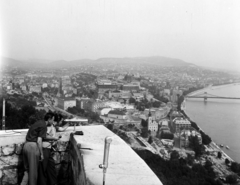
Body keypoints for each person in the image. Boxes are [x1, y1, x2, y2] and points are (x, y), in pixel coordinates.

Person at [21, 112, 58, 185]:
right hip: (32, 147)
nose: (53, 122)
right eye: (53, 120)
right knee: (33, 174)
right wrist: (41, 154)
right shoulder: (44, 126)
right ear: (49, 119)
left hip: (26, 146)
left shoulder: (39, 122)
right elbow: (39, 140)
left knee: (27, 171)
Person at [38, 113, 69, 185]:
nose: (61, 123)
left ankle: (53, 182)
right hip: (44, 148)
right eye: (61, 121)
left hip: (48, 149)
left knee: (51, 167)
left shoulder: (53, 126)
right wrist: (54, 138)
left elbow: (61, 129)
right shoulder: (49, 126)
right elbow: (44, 136)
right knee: (43, 169)